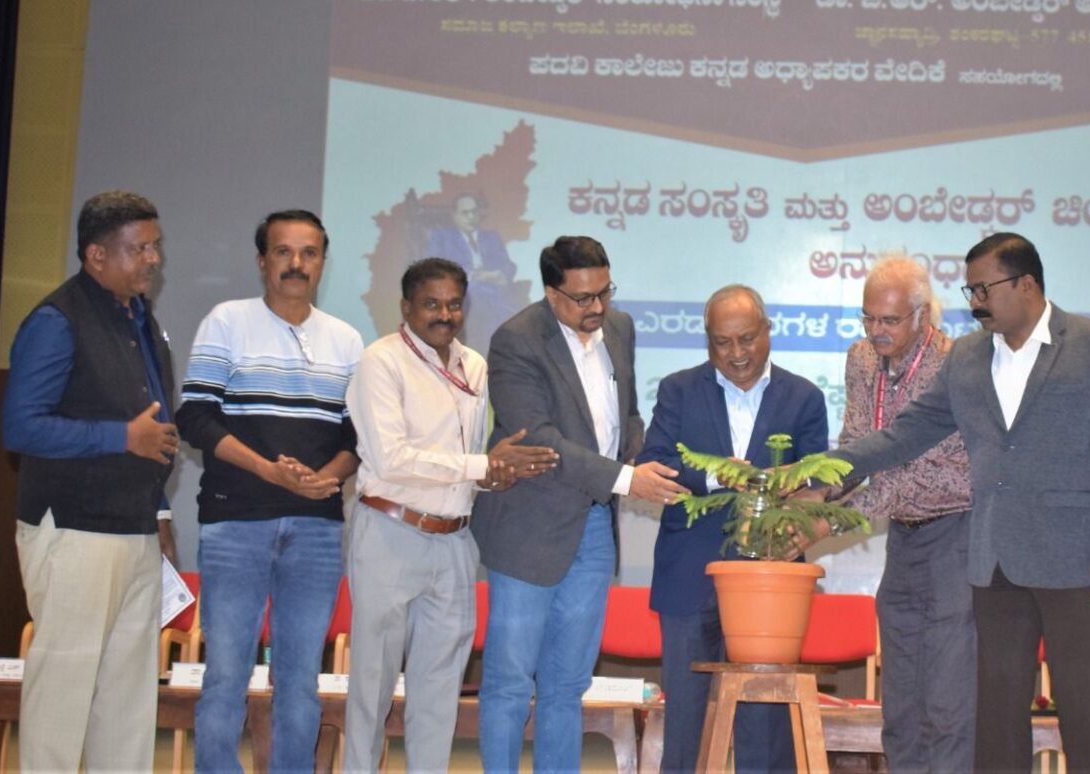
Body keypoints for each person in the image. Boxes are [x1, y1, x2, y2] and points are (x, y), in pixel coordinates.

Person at [826, 232, 1090, 773]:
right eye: (970, 290)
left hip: (1077, 565)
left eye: (984, 289)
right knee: (997, 721)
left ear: (1026, 285)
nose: (975, 301)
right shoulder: (968, 356)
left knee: (1082, 717)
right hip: (994, 565)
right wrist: (819, 473)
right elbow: (905, 435)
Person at [469, 235, 688, 773]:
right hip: (528, 530)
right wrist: (626, 478)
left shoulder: (621, 328)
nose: (597, 307)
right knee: (510, 682)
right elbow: (539, 440)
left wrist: (641, 451)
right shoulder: (516, 340)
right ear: (552, 293)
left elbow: (626, 415)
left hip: (594, 525)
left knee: (567, 683)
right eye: (583, 297)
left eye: (604, 292)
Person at [342, 258, 559, 771]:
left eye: (454, 304)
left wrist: (491, 475)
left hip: (456, 540)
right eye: (431, 304)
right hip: (390, 530)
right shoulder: (381, 361)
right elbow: (393, 459)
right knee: (372, 685)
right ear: (406, 307)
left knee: (440, 690)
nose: (445, 315)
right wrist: (482, 464)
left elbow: (471, 456)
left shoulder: (474, 366)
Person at [177, 209, 364, 773]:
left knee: (301, 680)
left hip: (316, 526)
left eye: (309, 253)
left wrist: (329, 477)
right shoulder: (227, 321)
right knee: (226, 675)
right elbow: (196, 417)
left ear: (323, 263)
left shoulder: (347, 339)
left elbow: (358, 437)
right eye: (283, 251)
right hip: (236, 520)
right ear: (262, 261)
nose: (296, 263)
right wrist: (267, 470)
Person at [1, 190, 177, 772]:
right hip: (74, 530)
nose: (153, 259)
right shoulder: (57, 320)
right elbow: (21, 427)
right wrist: (120, 437)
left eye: (155, 246)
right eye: (139, 248)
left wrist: (160, 512)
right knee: (63, 690)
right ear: (96, 255)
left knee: (128, 699)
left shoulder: (140, 319)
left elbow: (155, 429)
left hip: (135, 530)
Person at [638, 284, 828, 773]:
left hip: (770, 583)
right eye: (723, 342)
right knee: (686, 724)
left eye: (747, 338)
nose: (737, 353)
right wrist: (713, 475)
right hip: (688, 573)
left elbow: (820, 478)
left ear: (768, 332)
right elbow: (653, 462)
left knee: (764, 723)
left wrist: (792, 488)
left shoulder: (804, 397)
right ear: (708, 341)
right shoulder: (678, 390)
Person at [799, 255, 975, 771]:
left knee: (947, 705)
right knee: (899, 705)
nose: (877, 331)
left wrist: (829, 520)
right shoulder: (861, 359)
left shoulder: (953, 365)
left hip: (956, 537)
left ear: (923, 315)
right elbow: (858, 446)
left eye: (890, 320)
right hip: (904, 540)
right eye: (868, 318)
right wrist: (815, 493)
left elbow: (921, 472)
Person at [426, 193, 519, 352]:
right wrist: (472, 275)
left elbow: (508, 265)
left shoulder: (491, 237)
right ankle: (493, 346)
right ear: (454, 215)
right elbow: (435, 266)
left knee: (501, 303)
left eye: (474, 212)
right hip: (465, 291)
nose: (471, 217)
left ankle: (499, 345)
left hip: (493, 287)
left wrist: (499, 274)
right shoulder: (442, 237)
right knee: (478, 295)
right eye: (465, 213)